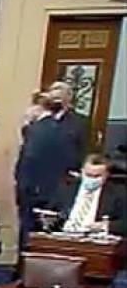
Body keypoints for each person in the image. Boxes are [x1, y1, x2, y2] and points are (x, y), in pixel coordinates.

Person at [15, 93, 69, 246]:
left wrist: (21, 189)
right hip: (55, 191)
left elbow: (28, 160)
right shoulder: (61, 129)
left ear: (38, 107)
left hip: (32, 191)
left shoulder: (36, 130)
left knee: (28, 235)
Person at [56, 153, 127, 236]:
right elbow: (52, 212)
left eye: (97, 176)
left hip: (96, 241)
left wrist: (104, 226)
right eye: (88, 175)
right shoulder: (67, 188)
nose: (92, 179)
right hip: (63, 236)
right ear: (82, 171)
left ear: (107, 175)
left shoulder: (119, 193)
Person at [48, 80, 88, 172]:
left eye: (59, 97)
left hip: (67, 173)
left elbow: (83, 149)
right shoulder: (41, 119)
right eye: (53, 96)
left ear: (69, 97)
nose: (56, 100)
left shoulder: (80, 121)